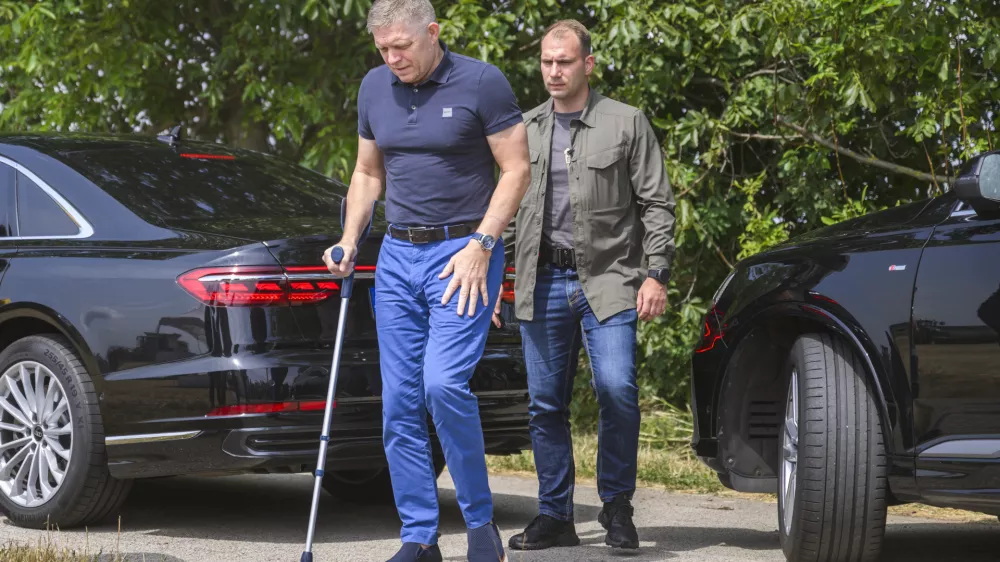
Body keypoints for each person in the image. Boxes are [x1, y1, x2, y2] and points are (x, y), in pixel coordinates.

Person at [322, 1, 530, 561]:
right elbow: (368, 173)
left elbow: (517, 169)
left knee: (443, 386)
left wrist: (482, 246)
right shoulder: (374, 88)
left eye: (403, 48)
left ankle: (481, 525)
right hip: (396, 257)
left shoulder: (482, 83)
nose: (393, 60)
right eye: (383, 50)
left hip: (463, 254)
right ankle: (419, 536)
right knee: (399, 404)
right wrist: (349, 237)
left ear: (432, 33)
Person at [496, 19, 677, 552]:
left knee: (616, 391)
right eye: (547, 62)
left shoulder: (626, 122)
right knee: (545, 405)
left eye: (565, 62)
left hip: (611, 280)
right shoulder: (524, 128)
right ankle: (555, 516)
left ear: (588, 65)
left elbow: (657, 204)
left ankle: (617, 508)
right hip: (541, 280)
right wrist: (492, 279)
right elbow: (505, 215)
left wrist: (656, 274)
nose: (554, 71)